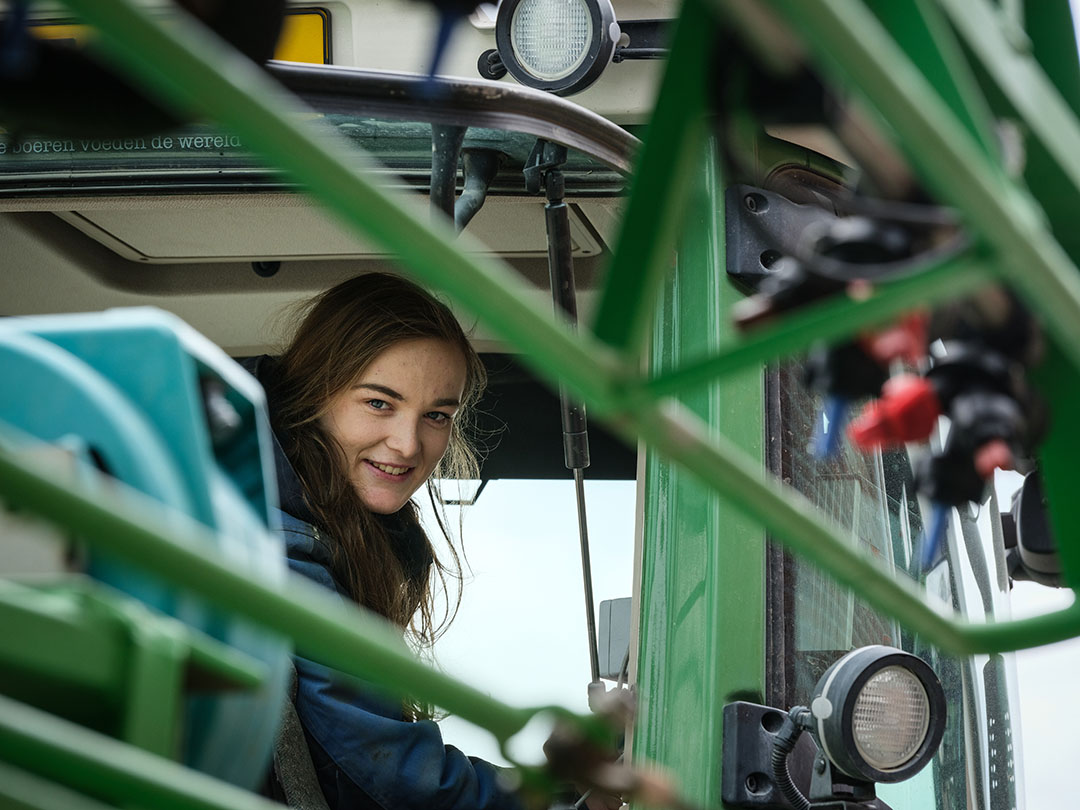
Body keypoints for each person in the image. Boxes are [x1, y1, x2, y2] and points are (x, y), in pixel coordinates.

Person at [246, 272, 519, 810]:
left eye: (437, 415)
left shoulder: (337, 537)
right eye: (378, 403)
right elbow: (390, 776)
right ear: (313, 395)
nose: (408, 443)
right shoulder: (277, 548)